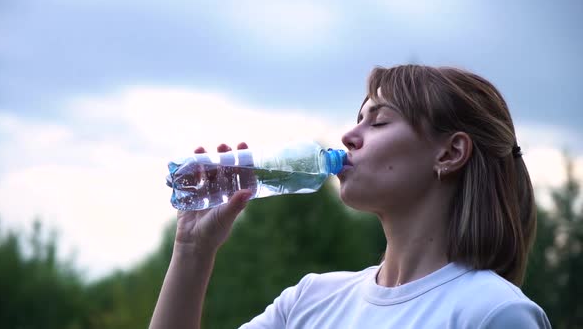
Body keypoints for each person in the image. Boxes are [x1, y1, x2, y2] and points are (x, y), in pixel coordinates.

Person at [149, 65, 551, 328]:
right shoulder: (310, 301)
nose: (348, 136)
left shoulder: (492, 312)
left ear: (449, 153)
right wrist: (192, 250)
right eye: (359, 119)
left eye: (379, 122)